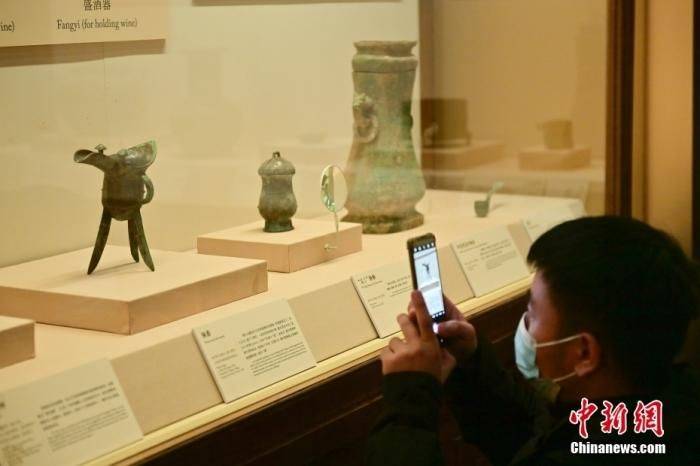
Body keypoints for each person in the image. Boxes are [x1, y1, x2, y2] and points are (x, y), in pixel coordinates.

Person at [366, 216, 700, 465]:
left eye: (533, 312)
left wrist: (409, 402)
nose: (526, 325)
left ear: (584, 352)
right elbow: (534, 440)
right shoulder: (672, 406)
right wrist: (471, 363)